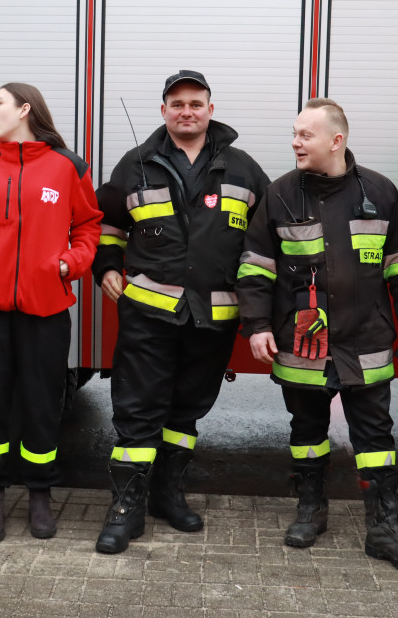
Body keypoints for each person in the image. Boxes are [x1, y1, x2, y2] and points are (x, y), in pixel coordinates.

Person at [235, 98, 398, 572]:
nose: (295, 142)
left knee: (376, 436)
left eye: (305, 135)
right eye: (295, 133)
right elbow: (255, 269)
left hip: (365, 340)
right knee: (306, 432)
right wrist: (258, 325)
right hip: (302, 344)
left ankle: (385, 528)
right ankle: (311, 508)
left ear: (336, 140)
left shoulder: (379, 192)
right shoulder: (280, 195)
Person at [91, 70, 270, 554]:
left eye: (196, 103)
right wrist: (106, 263)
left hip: (213, 319)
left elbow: (264, 242)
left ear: (210, 109)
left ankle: (167, 494)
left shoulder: (244, 170)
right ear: (164, 110)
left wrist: (258, 307)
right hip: (149, 316)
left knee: (187, 412)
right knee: (137, 412)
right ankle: (125, 508)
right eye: (177, 103)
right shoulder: (136, 165)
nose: (186, 111)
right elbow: (106, 224)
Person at [0, 83, 101, 542]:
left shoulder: (68, 168)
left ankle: (40, 494)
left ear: (24, 109)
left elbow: (88, 227)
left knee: (42, 405)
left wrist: (67, 264)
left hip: (46, 311)